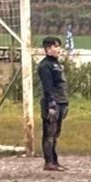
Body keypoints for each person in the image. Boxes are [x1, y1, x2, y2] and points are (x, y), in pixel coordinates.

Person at [37, 36, 69, 172]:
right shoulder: (45, 65)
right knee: (49, 133)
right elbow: (47, 87)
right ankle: (48, 162)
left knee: (55, 134)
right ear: (48, 49)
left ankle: (55, 161)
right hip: (53, 103)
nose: (59, 49)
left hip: (61, 101)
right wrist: (51, 104)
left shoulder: (57, 64)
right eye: (56, 46)